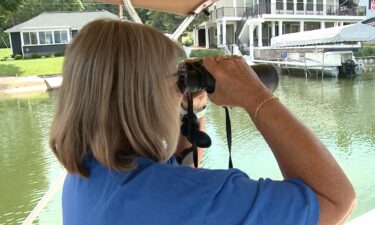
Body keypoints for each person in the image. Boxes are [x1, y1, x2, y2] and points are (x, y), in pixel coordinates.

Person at [49, 19, 356, 225]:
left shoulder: (85, 174)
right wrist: (254, 95)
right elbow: (334, 200)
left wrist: (194, 110)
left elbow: (182, 177)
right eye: (176, 82)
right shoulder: (188, 197)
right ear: (145, 97)